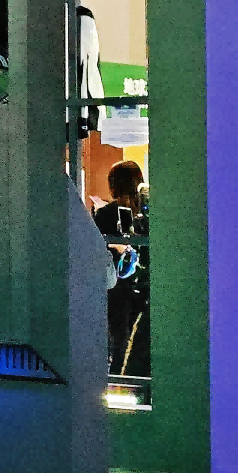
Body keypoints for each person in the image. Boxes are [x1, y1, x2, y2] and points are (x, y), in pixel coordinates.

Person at [94, 160, 150, 378]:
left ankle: (116, 379)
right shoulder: (146, 213)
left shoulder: (106, 213)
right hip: (142, 285)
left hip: (116, 286)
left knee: (117, 336)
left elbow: (95, 247)